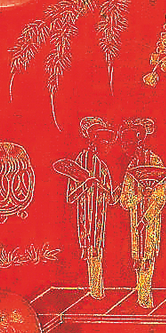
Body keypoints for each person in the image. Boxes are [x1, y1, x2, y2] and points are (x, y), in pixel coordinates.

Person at [54, 117, 118, 299]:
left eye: (108, 142)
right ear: (94, 141)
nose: (107, 146)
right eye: (104, 141)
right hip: (85, 221)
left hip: (100, 221)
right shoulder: (79, 164)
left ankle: (97, 290)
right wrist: (86, 184)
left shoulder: (103, 167)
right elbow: (70, 197)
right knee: (90, 253)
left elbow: (110, 198)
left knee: (98, 253)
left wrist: (116, 193)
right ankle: (94, 290)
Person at [119, 119, 166, 308]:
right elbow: (124, 200)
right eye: (124, 142)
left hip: (150, 222)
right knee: (138, 260)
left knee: (148, 258)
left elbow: (161, 197)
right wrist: (139, 197)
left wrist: (146, 218)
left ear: (139, 141)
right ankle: (142, 298)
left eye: (128, 142)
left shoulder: (155, 162)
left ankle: (145, 299)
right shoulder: (132, 166)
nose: (125, 146)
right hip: (135, 220)